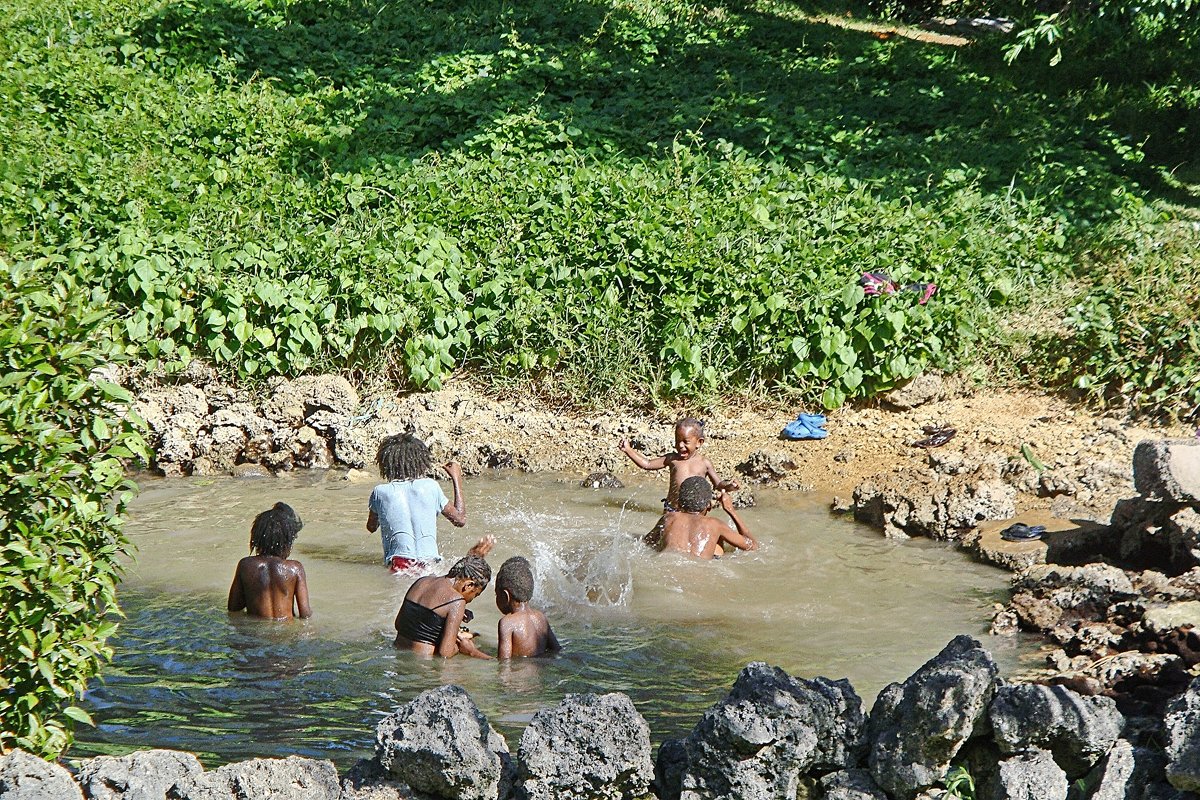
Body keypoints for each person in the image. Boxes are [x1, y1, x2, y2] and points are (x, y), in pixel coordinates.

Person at [619, 418, 739, 544]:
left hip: (695, 513)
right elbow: (647, 464)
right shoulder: (672, 459)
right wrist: (628, 450)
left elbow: (719, 484)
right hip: (672, 510)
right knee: (652, 541)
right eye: (677, 441)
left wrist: (730, 485)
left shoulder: (704, 463)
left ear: (699, 442)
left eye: (685, 442)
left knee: (691, 540)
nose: (680, 446)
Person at [367, 433, 466, 573]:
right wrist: (456, 477)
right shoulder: (430, 486)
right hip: (431, 564)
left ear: (385, 464)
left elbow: (371, 527)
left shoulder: (380, 492)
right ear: (421, 461)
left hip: (399, 566)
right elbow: (460, 520)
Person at [394, 554, 493, 659]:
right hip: (422, 664)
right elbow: (446, 653)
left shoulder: (422, 581)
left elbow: (398, 624)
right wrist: (468, 649)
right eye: (476, 594)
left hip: (397, 651)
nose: (471, 600)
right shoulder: (457, 601)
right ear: (468, 586)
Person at [227, 502, 312, 620]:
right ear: (287, 541)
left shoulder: (245, 565)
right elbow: (305, 614)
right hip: (286, 633)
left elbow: (234, 608)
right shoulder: (295, 568)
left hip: (254, 634)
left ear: (257, 538)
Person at [655, 476, 757, 560]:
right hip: (700, 573)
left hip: (669, 565)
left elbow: (647, 542)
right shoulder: (715, 524)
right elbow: (752, 546)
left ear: (679, 504)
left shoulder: (669, 518)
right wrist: (730, 510)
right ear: (709, 506)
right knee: (718, 548)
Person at [494, 556, 560, 658]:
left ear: (505, 595)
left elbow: (504, 664)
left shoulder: (507, 623)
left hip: (520, 672)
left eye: (496, 595)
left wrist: (472, 651)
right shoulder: (540, 617)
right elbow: (556, 650)